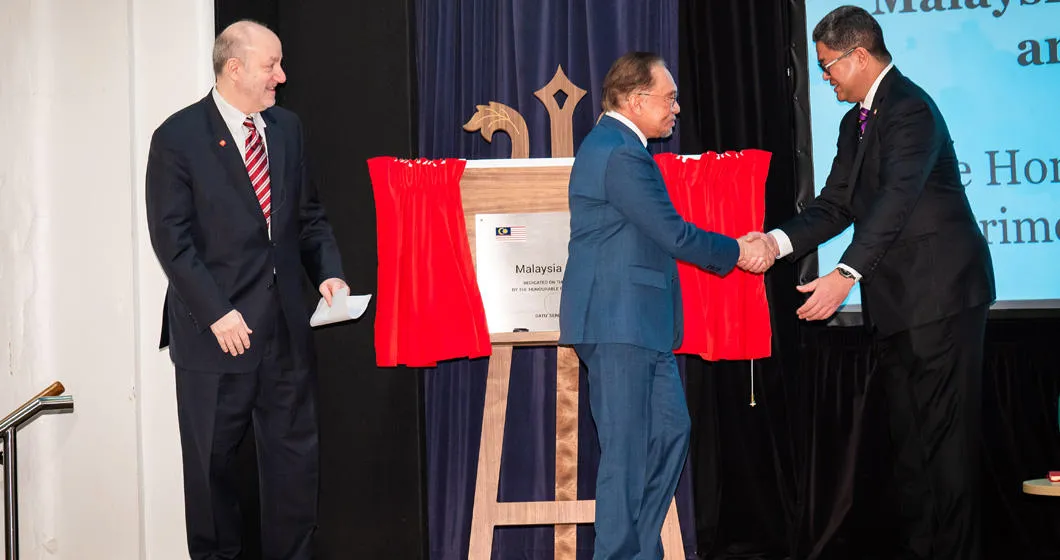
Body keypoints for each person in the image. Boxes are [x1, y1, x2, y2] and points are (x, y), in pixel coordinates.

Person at [760, 6, 995, 559]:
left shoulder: (910, 109)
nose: (825, 78)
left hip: (942, 299)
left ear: (859, 56)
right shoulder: (854, 122)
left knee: (948, 454)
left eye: (828, 67)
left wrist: (844, 274)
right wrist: (776, 243)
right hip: (898, 305)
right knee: (912, 453)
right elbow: (838, 204)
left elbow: (896, 202)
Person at [558, 51, 774, 559]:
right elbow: (673, 234)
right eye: (669, 97)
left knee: (671, 433)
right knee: (627, 455)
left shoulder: (622, 148)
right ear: (636, 100)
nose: (677, 109)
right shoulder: (617, 152)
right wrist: (740, 251)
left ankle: (637, 551)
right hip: (618, 322)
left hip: (641, 325)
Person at [145, 20, 347, 560]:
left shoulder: (288, 128)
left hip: (284, 333)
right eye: (270, 66)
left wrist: (327, 270)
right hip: (215, 338)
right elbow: (172, 240)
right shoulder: (177, 137)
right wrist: (218, 313)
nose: (281, 76)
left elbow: (308, 216)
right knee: (213, 478)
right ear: (234, 68)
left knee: (294, 471)